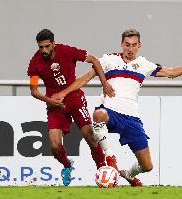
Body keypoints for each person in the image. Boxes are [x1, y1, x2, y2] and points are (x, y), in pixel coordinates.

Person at [51, 28, 182, 186]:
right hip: (111, 112)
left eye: (133, 45)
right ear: (121, 44)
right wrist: (64, 93)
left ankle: (128, 174)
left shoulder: (144, 64)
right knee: (99, 114)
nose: (130, 49)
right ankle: (110, 158)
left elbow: (172, 72)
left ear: (139, 45)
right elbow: (84, 78)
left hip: (131, 118)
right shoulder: (108, 60)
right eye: (127, 44)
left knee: (147, 166)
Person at [27, 29, 116, 186]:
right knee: (54, 145)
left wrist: (104, 83)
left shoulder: (67, 51)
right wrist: (49, 100)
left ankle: (101, 169)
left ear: (53, 44)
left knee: (90, 136)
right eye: (41, 47)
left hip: (75, 100)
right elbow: (34, 91)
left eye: (47, 46)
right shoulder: (36, 62)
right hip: (55, 105)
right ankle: (67, 166)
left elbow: (95, 60)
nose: (44, 50)